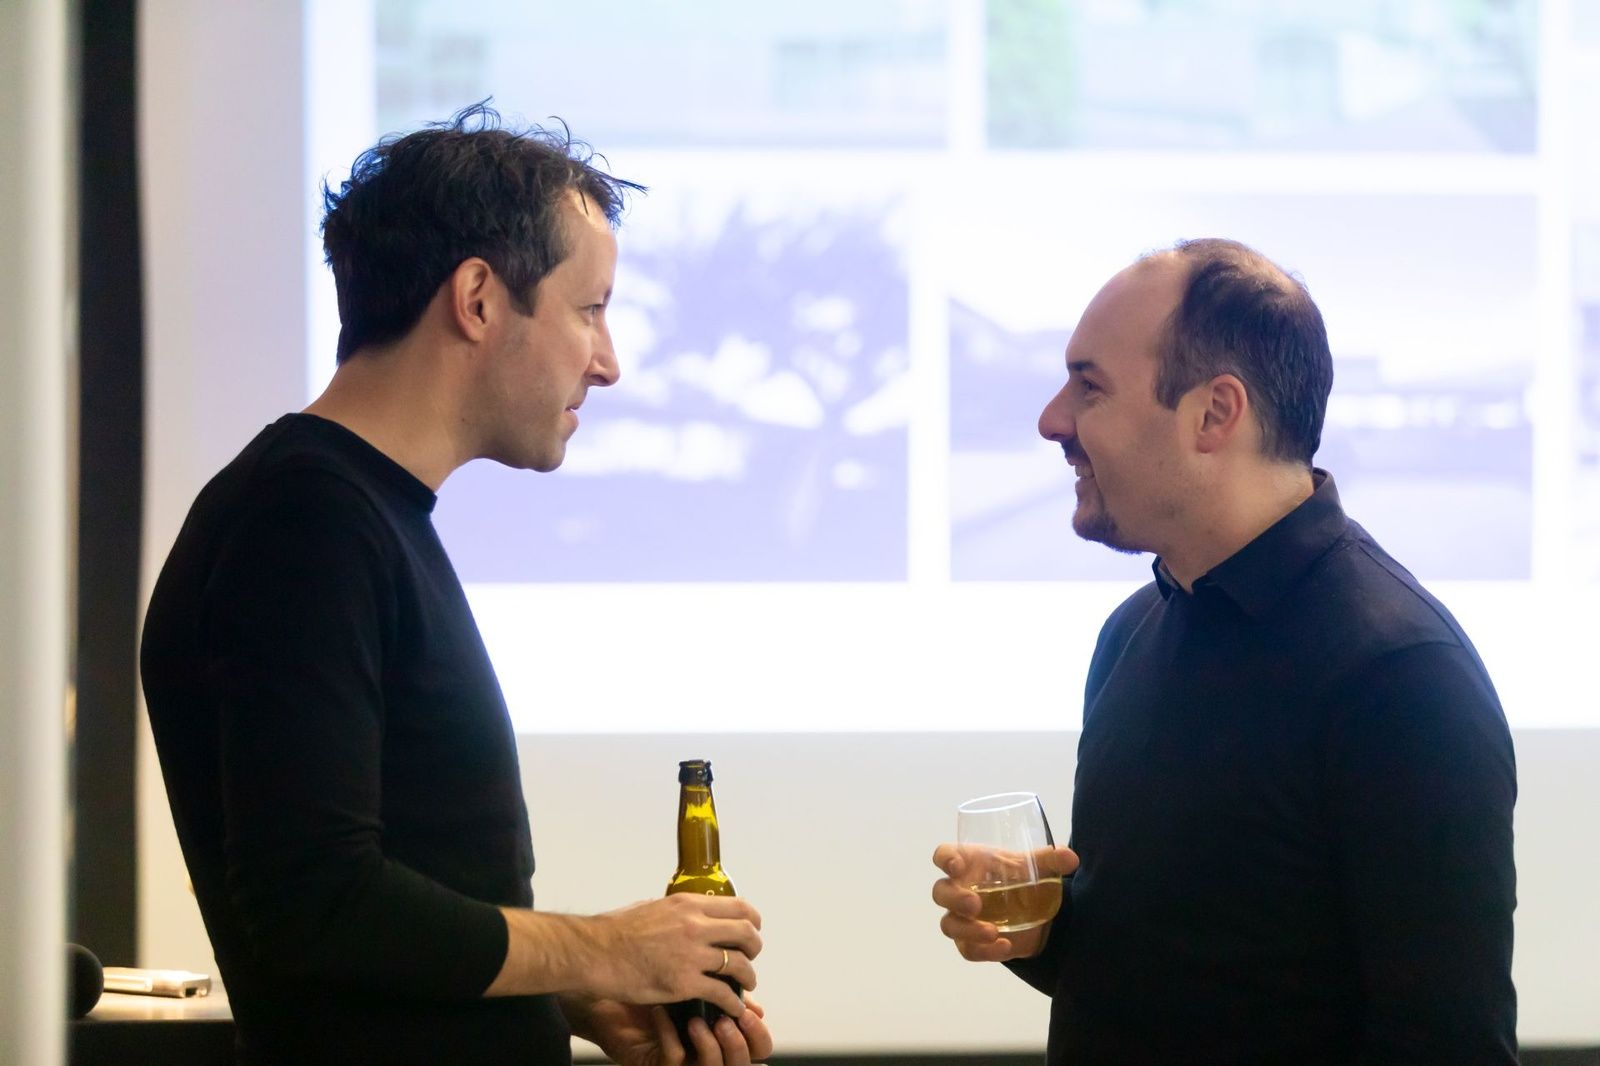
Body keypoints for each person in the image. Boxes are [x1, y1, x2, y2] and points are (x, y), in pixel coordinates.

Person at [141, 104, 772, 1066]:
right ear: (478, 299)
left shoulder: (348, 511)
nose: (608, 363)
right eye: (590, 310)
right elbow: (317, 905)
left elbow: (382, 912)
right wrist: (603, 950)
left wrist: (563, 997)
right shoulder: (304, 523)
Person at [930, 238, 1517, 1063]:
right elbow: (1171, 972)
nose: (1051, 420)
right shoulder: (1133, 631)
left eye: (1089, 386)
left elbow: (1448, 1046)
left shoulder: (1402, 673)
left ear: (1214, 413)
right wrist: (1043, 932)